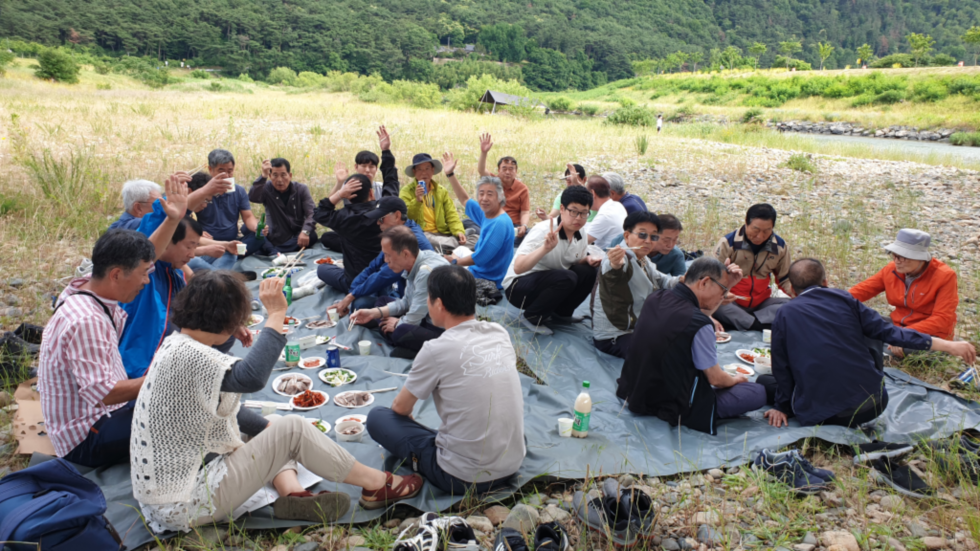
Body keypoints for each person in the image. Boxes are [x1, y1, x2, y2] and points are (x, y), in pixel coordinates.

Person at [130, 274, 423, 534]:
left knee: (264, 429)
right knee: (292, 428)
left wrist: (268, 429)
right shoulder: (191, 357)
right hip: (185, 503)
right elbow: (251, 378)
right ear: (229, 319)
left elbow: (225, 405)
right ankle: (378, 484)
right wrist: (277, 313)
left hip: (167, 494)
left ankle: (292, 494)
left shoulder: (176, 344)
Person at [760, 258, 976, 428]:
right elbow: (892, 333)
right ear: (825, 282)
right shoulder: (847, 300)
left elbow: (782, 366)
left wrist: (782, 407)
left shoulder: (785, 312)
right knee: (872, 330)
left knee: (765, 381)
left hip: (822, 413)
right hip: (873, 405)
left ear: (792, 290)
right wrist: (948, 345)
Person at [366, 266, 525, 494]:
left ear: (438, 304)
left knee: (377, 418)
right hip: (512, 463)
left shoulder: (435, 349)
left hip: (462, 477)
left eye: (428, 299)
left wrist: (407, 421)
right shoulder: (499, 332)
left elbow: (400, 408)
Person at [38, 229, 155, 468]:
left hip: (101, 414)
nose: (146, 281)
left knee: (167, 401)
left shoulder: (82, 288)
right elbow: (104, 393)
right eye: (143, 273)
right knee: (181, 413)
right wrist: (161, 379)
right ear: (116, 274)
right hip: (83, 438)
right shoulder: (88, 320)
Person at [616, 257, 766, 435]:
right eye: (723, 290)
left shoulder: (657, 297)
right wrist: (735, 380)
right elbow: (716, 379)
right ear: (704, 282)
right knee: (757, 391)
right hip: (672, 404)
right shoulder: (699, 324)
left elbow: (702, 308)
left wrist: (728, 285)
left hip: (633, 389)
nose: (724, 296)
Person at [503, 186, 601, 336]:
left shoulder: (580, 231)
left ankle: (562, 313)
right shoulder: (544, 231)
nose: (578, 218)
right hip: (518, 288)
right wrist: (545, 248)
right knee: (567, 277)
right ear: (562, 208)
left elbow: (574, 263)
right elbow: (518, 268)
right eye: (573, 211)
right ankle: (532, 317)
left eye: (584, 213)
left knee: (588, 271)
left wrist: (587, 259)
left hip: (551, 280)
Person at [848, 229, 958, 358]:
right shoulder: (891, 269)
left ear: (920, 258)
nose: (897, 261)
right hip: (897, 327)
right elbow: (860, 291)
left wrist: (903, 334)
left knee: (885, 349)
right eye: (894, 255)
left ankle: (877, 350)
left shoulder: (945, 276)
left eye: (902, 257)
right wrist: (831, 301)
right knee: (853, 321)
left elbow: (942, 319)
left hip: (930, 335)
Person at [350, 226, 450, 354]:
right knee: (382, 301)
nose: (386, 260)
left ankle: (412, 347)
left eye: (388, 255)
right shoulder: (418, 260)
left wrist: (398, 324)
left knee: (401, 332)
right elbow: (407, 303)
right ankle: (404, 342)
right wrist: (372, 313)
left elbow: (414, 318)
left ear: (405, 253)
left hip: (443, 329)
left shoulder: (426, 272)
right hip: (425, 315)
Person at [327, 197, 433, 316]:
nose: (377, 223)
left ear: (397, 216)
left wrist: (351, 297)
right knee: (358, 296)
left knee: (360, 304)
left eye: (381, 219)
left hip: (412, 300)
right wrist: (352, 293)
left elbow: (386, 274)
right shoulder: (396, 234)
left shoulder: (411, 239)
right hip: (398, 288)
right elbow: (373, 266)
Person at [594, 212, 679, 358]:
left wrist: (686, 280)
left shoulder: (643, 259)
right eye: (642, 235)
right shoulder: (619, 258)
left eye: (653, 236)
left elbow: (663, 280)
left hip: (638, 327)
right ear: (627, 236)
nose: (648, 241)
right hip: (614, 336)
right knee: (659, 355)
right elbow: (613, 274)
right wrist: (616, 264)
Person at [713, 203, 792, 331]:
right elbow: (712, 278)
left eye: (767, 231)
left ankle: (745, 321)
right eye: (756, 230)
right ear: (746, 223)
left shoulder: (779, 247)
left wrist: (802, 297)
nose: (760, 236)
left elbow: (785, 279)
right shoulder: (728, 243)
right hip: (732, 302)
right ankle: (759, 326)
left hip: (760, 304)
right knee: (719, 306)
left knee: (790, 305)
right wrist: (724, 293)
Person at [444, 154, 516, 289]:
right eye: (481, 193)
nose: (484, 198)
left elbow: (480, 258)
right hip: (480, 267)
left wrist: (454, 262)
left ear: (500, 197)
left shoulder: (500, 223)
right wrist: (450, 174)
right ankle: (446, 258)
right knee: (457, 250)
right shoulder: (488, 212)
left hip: (486, 277)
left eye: (490, 194)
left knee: (442, 270)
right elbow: (465, 199)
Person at [322, 126, 399, 251]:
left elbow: (323, 212)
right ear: (356, 167)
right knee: (327, 237)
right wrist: (340, 183)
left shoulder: (380, 188)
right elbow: (331, 202)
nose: (367, 170)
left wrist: (386, 151)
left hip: (376, 232)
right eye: (363, 166)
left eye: (371, 167)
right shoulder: (349, 186)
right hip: (355, 230)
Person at [313, 174, 392, 294]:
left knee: (322, 269)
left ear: (348, 197)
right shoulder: (383, 214)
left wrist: (339, 194)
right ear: (371, 193)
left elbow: (319, 213)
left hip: (354, 281)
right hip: (384, 279)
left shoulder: (343, 216)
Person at [194, 149, 260, 263]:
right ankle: (228, 254)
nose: (226, 175)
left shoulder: (239, 191)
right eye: (221, 171)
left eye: (230, 171)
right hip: (208, 241)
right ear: (210, 170)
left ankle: (225, 253)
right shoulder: (201, 191)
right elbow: (186, 218)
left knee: (259, 238)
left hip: (232, 240)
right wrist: (197, 232)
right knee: (193, 242)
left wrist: (257, 228)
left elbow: (248, 217)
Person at [398, 153, 468, 254]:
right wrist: (417, 201)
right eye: (420, 169)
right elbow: (407, 217)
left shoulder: (440, 191)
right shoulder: (407, 191)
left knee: (475, 238)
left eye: (427, 168)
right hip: (422, 233)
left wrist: (458, 231)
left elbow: (451, 214)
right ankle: (454, 246)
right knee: (422, 240)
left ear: (433, 170)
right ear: (414, 172)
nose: (424, 173)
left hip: (442, 233)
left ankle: (451, 246)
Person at [248, 157, 317, 255]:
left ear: (290, 175)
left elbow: (312, 213)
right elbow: (253, 197)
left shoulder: (301, 189)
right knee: (249, 230)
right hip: (274, 235)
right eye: (275, 175)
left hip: (295, 236)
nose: (279, 180)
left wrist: (305, 231)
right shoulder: (267, 188)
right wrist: (263, 176)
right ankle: (274, 250)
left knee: (312, 235)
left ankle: (273, 251)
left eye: (283, 175)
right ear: (270, 176)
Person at [477, 133, 531, 244]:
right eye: (504, 168)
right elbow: (482, 170)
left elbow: (525, 212)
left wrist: (524, 226)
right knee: (469, 223)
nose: (507, 172)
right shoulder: (493, 182)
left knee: (531, 235)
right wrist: (484, 152)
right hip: (493, 222)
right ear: (498, 170)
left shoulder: (522, 189)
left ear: (516, 172)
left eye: (511, 169)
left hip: (512, 225)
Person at [584, 176, 628, 249]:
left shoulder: (605, 216)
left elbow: (581, 242)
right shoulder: (618, 205)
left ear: (593, 193)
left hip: (605, 256)